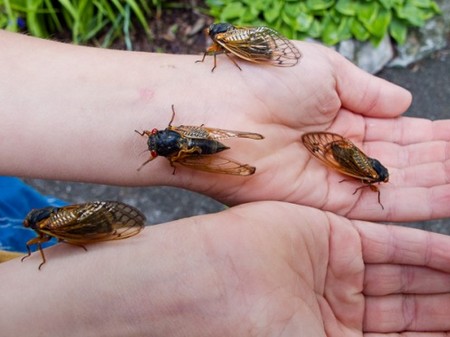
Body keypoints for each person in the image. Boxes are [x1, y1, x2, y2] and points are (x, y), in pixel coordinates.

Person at [0, 30, 450, 335]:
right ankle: (75, 259)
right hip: (186, 152)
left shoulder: (167, 141)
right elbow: (170, 134)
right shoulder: (167, 145)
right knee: (65, 226)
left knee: (32, 220)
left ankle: (68, 251)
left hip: (192, 147)